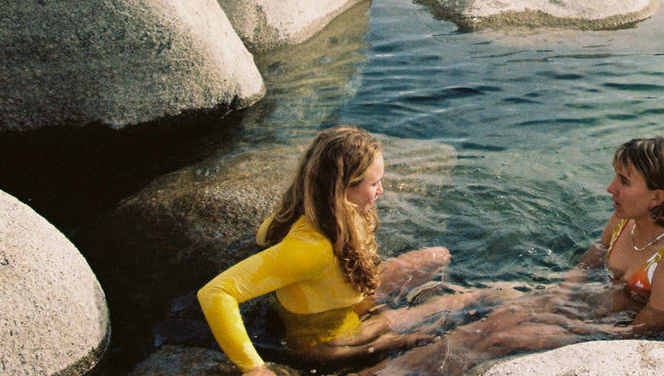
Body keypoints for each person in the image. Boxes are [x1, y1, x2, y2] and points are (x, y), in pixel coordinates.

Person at [360, 136, 664, 376]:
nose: (610, 188)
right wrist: (558, 295)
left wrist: (563, 327)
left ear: (657, 197)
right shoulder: (623, 221)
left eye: (624, 180)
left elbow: (641, 334)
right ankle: (368, 349)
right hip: (583, 307)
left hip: (600, 332)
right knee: (481, 301)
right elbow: (591, 260)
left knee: (498, 336)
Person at [198, 126, 495, 375]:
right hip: (329, 340)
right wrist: (254, 368)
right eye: (374, 183)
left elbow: (265, 240)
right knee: (451, 319)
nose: (382, 190)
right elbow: (216, 293)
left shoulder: (309, 207)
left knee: (437, 258)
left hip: (344, 302)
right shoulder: (309, 249)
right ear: (342, 188)